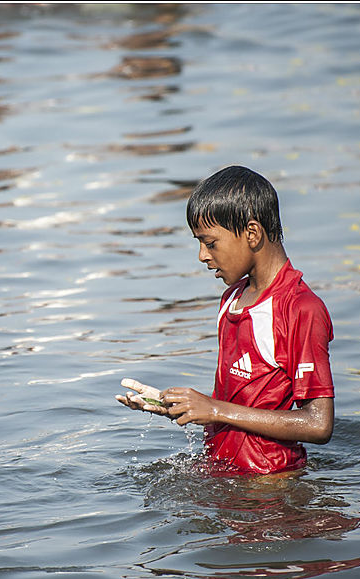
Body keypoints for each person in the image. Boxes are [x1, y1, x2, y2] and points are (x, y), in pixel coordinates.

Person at [116, 166, 334, 475]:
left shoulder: (300, 309)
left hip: (271, 487)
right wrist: (181, 407)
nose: (202, 256)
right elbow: (235, 403)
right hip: (224, 473)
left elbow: (319, 423)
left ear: (252, 234)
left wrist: (214, 408)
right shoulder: (231, 300)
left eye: (210, 243)